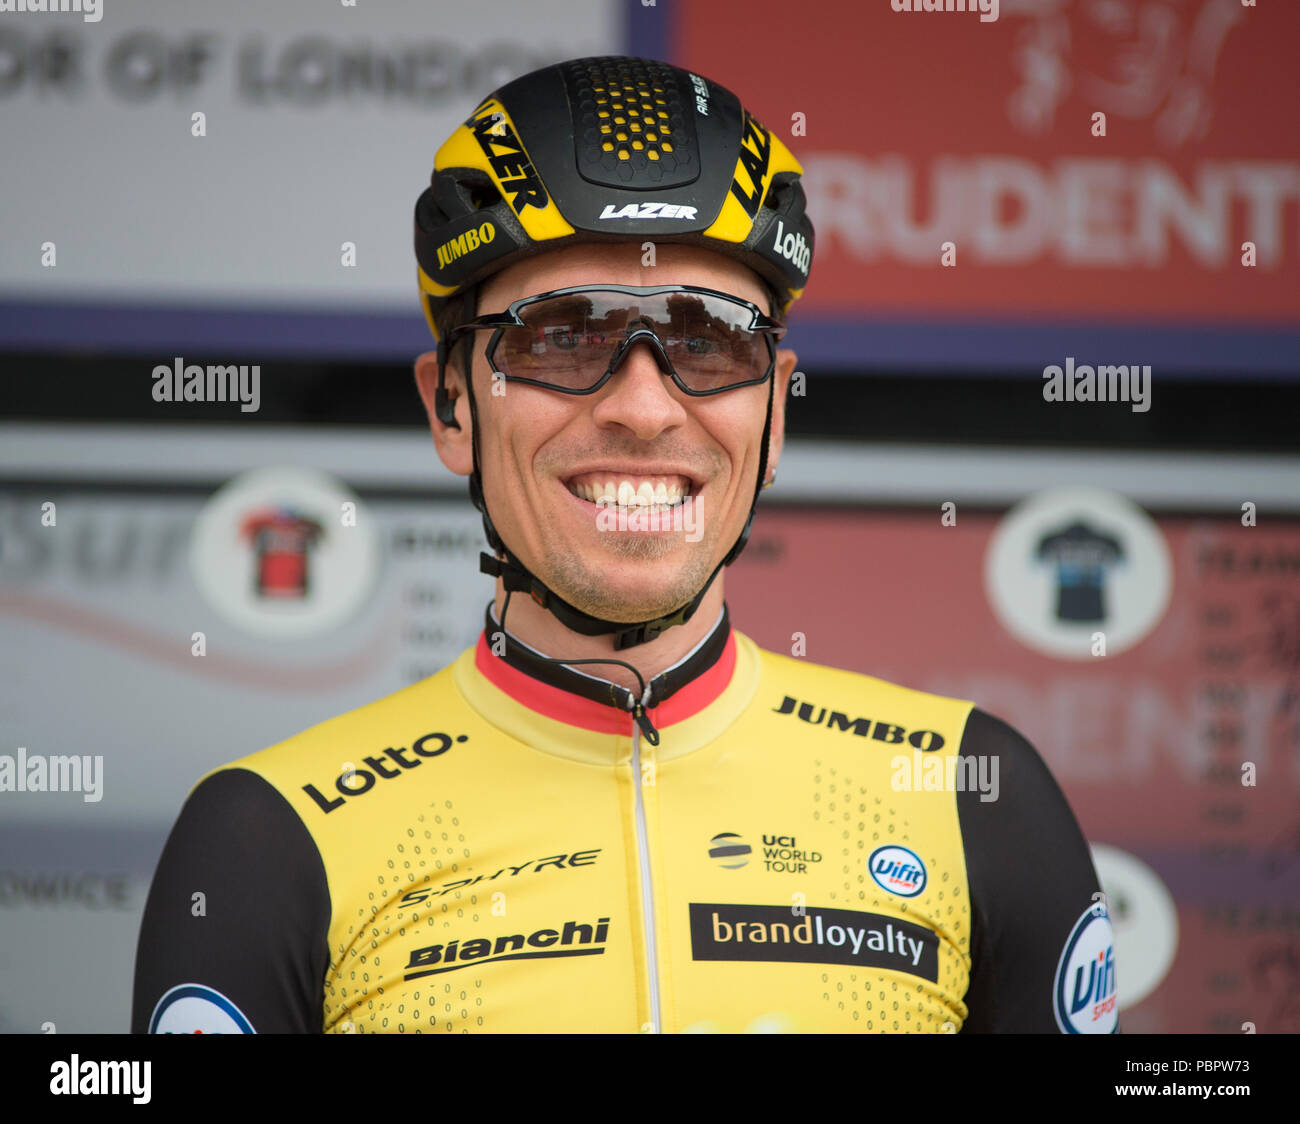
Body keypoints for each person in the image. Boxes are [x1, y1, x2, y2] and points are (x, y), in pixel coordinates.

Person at [132, 55, 1117, 1034]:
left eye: (708, 339)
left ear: (774, 411)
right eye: (561, 335)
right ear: (451, 406)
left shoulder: (970, 791)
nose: (643, 408)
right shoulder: (271, 834)